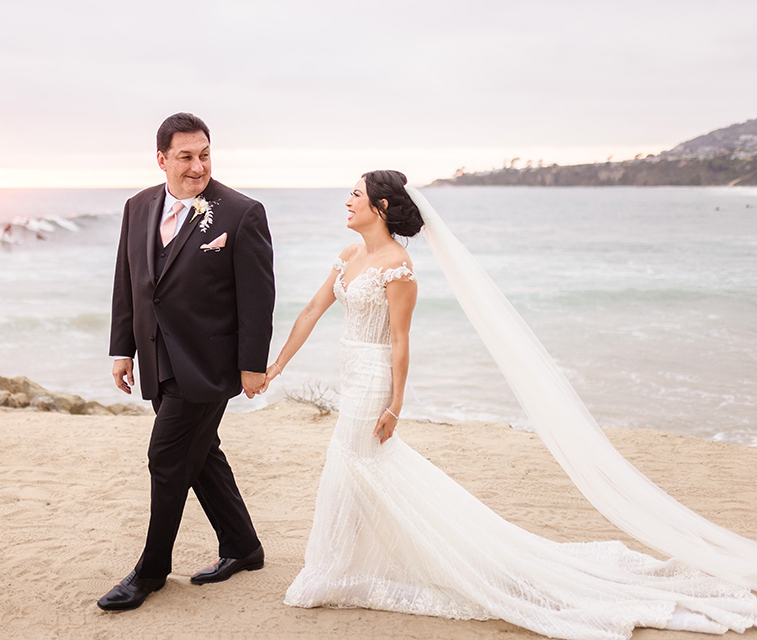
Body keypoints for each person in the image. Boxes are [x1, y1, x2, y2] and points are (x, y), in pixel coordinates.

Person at [264, 170, 757, 640]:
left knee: (355, 462)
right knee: (358, 467)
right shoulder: (349, 253)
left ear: (382, 206)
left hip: (373, 377)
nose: (347, 201)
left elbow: (399, 340)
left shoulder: (399, 265)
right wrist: (277, 365)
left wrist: (396, 405)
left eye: (355, 194)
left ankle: (334, 569)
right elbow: (311, 310)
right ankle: (341, 565)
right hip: (348, 371)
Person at [99, 113, 275, 611]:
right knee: (201, 454)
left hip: (211, 363)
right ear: (162, 159)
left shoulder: (241, 212)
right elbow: (128, 281)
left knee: (167, 457)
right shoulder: (137, 207)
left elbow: (259, 297)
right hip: (158, 357)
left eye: (204, 155)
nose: (197, 166)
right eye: (185, 156)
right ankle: (243, 546)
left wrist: (252, 364)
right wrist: (122, 349)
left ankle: (152, 571)